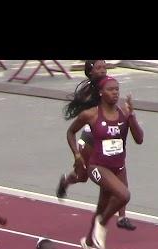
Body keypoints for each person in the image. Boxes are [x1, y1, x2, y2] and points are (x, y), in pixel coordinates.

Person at [66, 76, 144, 249]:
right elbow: (70, 132)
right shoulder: (91, 114)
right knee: (124, 195)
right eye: (110, 89)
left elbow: (139, 139)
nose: (115, 92)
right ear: (101, 93)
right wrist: (77, 154)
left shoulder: (124, 114)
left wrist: (132, 115)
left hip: (118, 168)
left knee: (102, 207)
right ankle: (102, 224)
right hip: (97, 167)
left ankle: (88, 244)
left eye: (117, 89)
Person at [57, 60, 136, 231]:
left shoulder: (110, 86)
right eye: (98, 68)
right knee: (83, 176)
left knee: (120, 172)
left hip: (110, 142)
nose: (102, 70)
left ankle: (122, 217)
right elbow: (83, 118)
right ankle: (66, 181)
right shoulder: (89, 92)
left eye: (104, 67)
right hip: (89, 141)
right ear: (90, 72)